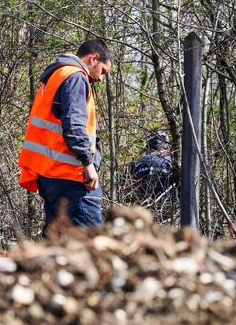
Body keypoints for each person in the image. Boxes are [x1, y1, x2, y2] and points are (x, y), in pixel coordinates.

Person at [18, 39, 112, 232]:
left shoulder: (56, 75)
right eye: (103, 71)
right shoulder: (75, 77)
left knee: (58, 241)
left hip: (49, 174)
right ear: (94, 59)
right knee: (92, 241)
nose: (101, 78)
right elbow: (74, 125)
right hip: (71, 176)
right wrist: (87, 163)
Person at [130, 130, 176, 222]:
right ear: (166, 145)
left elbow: (129, 188)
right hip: (168, 210)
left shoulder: (137, 163)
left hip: (143, 210)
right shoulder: (172, 162)